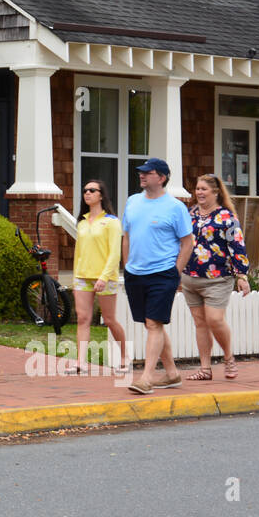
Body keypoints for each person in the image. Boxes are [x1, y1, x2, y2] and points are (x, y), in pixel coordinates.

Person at [121, 158, 195, 395]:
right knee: (152, 324)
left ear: (161, 177)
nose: (141, 176)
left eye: (147, 173)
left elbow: (187, 243)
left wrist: (175, 272)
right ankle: (172, 374)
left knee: (154, 323)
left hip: (162, 273)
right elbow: (127, 236)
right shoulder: (132, 202)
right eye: (141, 173)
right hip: (135, 272)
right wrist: (126, 266)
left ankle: (146, 378)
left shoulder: (175, 207)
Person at [182, 173, 251, 380]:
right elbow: (181, 241)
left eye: (204, 189)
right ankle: (205, 369)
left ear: (216, 192)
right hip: (190, 277)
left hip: (218, 278)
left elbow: (237, 246)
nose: (199, 192)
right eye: (197, 189)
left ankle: (228, 358)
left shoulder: (227, 217)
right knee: (200, 323)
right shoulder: (190, 213)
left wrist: (242, 276)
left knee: (215, 319)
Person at [66, 179, 129, 375]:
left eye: (92, 190)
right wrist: (76, 275)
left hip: (105, 277)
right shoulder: (83, 222)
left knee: (109, 320)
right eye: (85, 190)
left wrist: (104, 277)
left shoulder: (111, 222)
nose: (87, 193)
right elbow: (79, 251)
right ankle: (80, 363)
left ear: (101, 195)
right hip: (82, 277)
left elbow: (114, 253)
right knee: (83, 318)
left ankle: (125, 357)